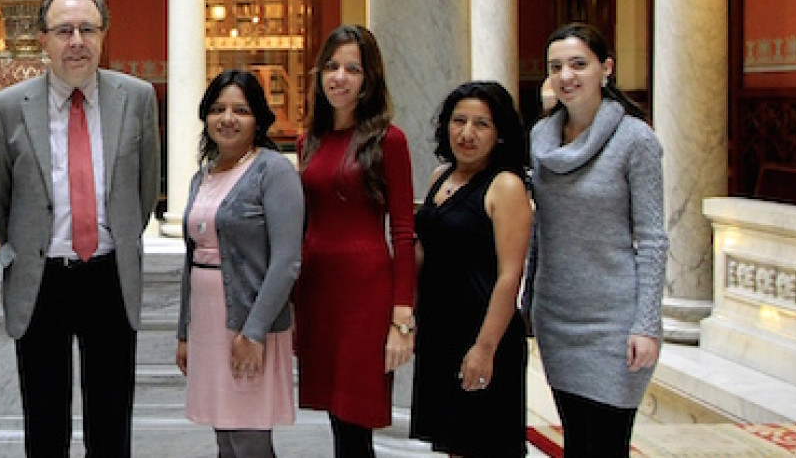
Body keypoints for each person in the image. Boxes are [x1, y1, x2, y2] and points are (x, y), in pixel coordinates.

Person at [0, 0, 162, 458]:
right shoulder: (7, 108)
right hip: (41, 280)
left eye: (88, 29)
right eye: (64, 30)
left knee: (111, 422)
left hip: (109, 275)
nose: (76, 41)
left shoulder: (138, 98)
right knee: (44, 423)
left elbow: (145, 190)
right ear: (43, 40)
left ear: (104, 36)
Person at [525, 23, 666, 457]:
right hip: (557, 316)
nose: (566, 75)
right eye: (556, 67)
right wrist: (529, 299)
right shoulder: (541, 138)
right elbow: (540, 229)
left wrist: (646, 324)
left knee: (606, 446)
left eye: (578, 64)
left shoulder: (636, 140)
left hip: (613, 321)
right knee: (576, 442)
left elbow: (653, 239)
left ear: (606, 68)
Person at [290, 24, 415, 458]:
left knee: (355, 421)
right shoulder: (310, 140)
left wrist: (402, 320)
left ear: (369, 79)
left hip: (366, 293)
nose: (339, 77)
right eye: (332, 66)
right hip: (317, 290)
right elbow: (303, 224)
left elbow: (402, 231)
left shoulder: (388, 140)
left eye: (352, 69)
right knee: (334, 418)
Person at [176, 70, 304, 458]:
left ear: (258, 119)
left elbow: (286, 261)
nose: (227, 119)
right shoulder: (203, 176)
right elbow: (191, 257)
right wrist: (184, 332)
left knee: (249, 437)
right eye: (217, 109)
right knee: (224, 434)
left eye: (240, 110)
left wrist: (254, 333)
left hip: (249, 323)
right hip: (207, 323)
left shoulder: (274, 170)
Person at [409, 81, 533, 458]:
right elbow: (424, 250)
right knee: (455, 443)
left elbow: (510, 276)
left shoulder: (505, 186)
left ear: (499, 134)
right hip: (440, 330)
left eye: (481, 124)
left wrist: (484, 348)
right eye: (459, 120)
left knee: (484, 444)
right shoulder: (440, 178)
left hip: (482, 331)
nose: (467, 133)